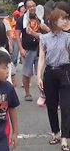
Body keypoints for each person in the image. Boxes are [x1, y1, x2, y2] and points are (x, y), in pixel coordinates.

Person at [37, 9, 70, 150]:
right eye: (63, 19)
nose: (65, 21)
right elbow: (42, 58)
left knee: (66, 106)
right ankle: (56, 133)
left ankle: (65, 138)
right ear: (55, 21)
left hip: (65, 71)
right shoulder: (44, 38)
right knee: (51, 105)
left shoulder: (68, 37)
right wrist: (38, 75)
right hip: (50, 72)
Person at [15, 0, 49, 101]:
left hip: (40, 48)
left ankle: (42, 94)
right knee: (27, 72)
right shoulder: (22, 19)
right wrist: (21, 49)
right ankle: (27, 93)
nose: (33, 8)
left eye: (34, 5)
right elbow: (17, 34)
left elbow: (48, 32)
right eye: (30, 6)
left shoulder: (41, 18)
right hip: (27, 48)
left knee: (42, 73)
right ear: (25, 8)